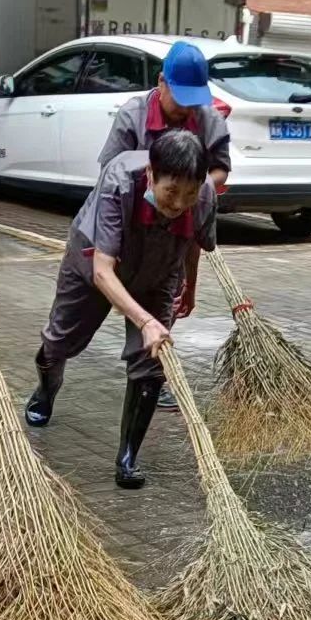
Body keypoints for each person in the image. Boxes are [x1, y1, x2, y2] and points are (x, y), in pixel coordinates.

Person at [25, 128, 217, 488]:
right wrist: (144, 321)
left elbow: (194, 241)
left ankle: (128, 457)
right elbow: (102, 270)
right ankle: (46, 389)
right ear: (151, 175)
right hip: (93, 266)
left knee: (152, 359)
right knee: (60, 340)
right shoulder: (119, 184)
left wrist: (189, 285)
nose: (179, 204)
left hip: (159, 271)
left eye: (189, 194)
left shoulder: (204, 194)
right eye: (171, 192)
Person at [98, 40, 231, 412]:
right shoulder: (133, 115)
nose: (187, 107)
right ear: (161, 82)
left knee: (161, 305)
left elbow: (220, 169)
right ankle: (52, 368)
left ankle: (151, 380)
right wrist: (159, 187)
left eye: (194, 99)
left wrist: (190, 191)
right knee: (75, 324)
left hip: (177, 228)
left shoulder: (209, 120)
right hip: (132, 228)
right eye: (180, 97)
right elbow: (110, 172)